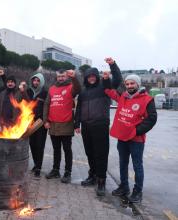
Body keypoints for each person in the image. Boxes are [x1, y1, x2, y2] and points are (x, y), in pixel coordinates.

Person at [103, 73, 157, 203]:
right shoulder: (123, 96)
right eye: (127, 84)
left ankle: (138, 191)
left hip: (136, 140)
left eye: (132, 83)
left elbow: (151, 119)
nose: (129, 86)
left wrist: (136, 131)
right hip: (122, 138)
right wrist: (105, 79)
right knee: (123, 163)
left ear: (138, 84)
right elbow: (109, 91)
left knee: (137, 165)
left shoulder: (147, 99)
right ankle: (124, 187)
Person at [74, 57, 122, 196]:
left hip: (100, 126)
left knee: (101, 154)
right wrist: (77, 124)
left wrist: (113, 65)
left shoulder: (104, 88)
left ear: (97, 77)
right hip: (86, 127)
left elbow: (117, 80)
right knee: (90, 153)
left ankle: (102, 181)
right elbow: (78, 109)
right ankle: (93, 176)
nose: (92, 78)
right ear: (86, 78)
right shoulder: (83, 93)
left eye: (94, 76)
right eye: (89, 77)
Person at [43, 69, 81, 183]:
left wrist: (74, 78)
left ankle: (67, 172)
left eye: (63, 76)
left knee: (67, 149)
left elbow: (78, 89)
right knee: (56, 149)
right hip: (53, 124)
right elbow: (47, 104)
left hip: (66, 124)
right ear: (56, 77)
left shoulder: (71, 87)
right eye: (59, 76)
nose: (61, 78)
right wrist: (45, 120)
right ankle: (55, 170)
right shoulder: (51, 88)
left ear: (66, 77)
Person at [27, 73, 48, 177]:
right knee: (32, 144)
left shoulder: (45, 93)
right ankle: (36, 164)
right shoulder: (29, 91)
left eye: (38, 81)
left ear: (41, 81)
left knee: (40, 145)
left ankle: (38, 167)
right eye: (34, 80)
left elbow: (47, 107)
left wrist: (46, 120)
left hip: (40, 122)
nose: (35, 82)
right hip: (30, 122)